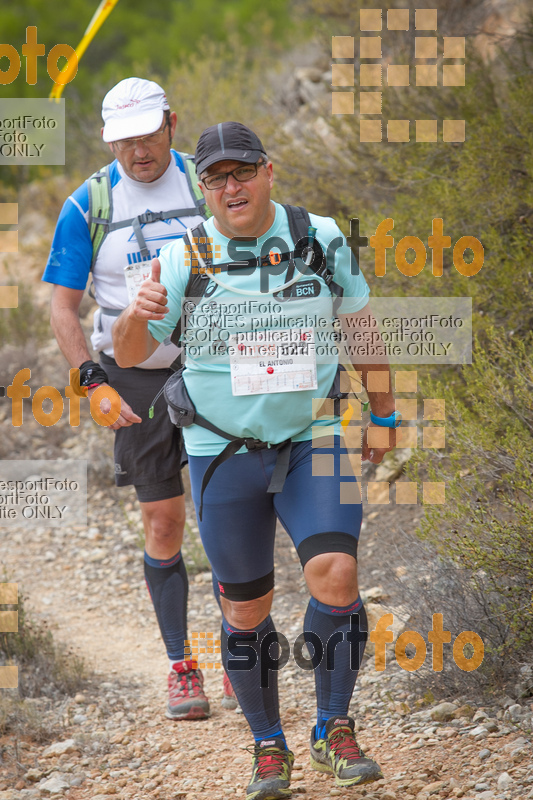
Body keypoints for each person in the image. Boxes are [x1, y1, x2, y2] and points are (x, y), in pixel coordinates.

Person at [113, 121, 400, 799]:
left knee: (335, 573)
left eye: (241, 171)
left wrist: (384, 415)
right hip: (221, 453)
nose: (230, 186)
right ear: (204, 189)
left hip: (313, 438)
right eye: (215, 178)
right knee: (246, 611)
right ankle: (268, 746)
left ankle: (332, 727)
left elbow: (360, 327)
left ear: (269, 171)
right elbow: (128, 354)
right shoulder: (183, 256)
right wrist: (136, 313)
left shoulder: (320, 237)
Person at [42, 78, 238, 721]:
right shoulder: (87, 205)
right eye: (123, 139)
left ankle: (240, 651)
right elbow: (63, 308)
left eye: (148, 133)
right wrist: (90, 384)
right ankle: (183, 666)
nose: (137, 150)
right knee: (164, 521)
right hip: (132, 378)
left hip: (213, 365)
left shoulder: (208, 184)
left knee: (227, 513)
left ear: (172, 124)